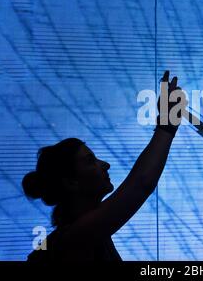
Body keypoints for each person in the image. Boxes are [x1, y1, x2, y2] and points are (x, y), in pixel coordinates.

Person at [22, 71, 186, 261]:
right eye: (90, 161)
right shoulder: (74, 237)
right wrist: (167, 123)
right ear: (71, 182)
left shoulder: (79, 235)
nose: (105, 164)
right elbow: (142, 183)